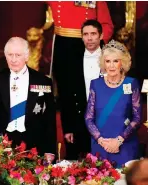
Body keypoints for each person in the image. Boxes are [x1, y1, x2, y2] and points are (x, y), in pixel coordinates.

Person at [47, 1, 114, 160]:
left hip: (86, 43)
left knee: (89, 94)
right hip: (63, 45)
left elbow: (106, 24)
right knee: (66, 95)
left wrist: (97, 47)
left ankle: (96, 147)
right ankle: (73, 146)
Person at [0, 37, 56, 155]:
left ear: (27, 56)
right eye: (10, 55)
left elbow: (49, 119)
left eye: (18, 55)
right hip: (4, 140)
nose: (13, 60)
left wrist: (50, 150)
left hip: (33, 141)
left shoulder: (42, 81)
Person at [85, 40, 142, 167]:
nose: (111, 66)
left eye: (115, 61)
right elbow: (89, 118)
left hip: (125, 145)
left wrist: (119, 140)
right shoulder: (95, 84)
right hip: (100, 145)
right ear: (103, 63)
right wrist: (101, 140)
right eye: (108, 61)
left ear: (122, 63)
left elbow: (137, 118)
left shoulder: (131, 83)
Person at [63, 20, 105, 160]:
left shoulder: (111, 57)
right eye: (86, 34)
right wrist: (68, 127)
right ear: (81, 37)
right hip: (79, 119)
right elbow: (66, 94)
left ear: (101, 35)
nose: (90, 38)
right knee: (81, 165)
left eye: (93, 33)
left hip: (105, 118)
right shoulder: (72, 58)